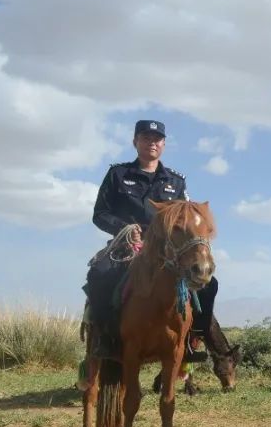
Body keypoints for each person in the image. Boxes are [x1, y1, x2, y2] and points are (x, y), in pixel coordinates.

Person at [85, 119, 217, 359]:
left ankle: (192, 339)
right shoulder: (117, 174)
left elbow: (186, 218)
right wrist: (125, 228)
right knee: (99, 274)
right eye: (146, 138)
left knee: (209, 284)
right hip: (125, 247)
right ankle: (105, 338)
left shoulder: (176, 181)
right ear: (135, 142)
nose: (152, 143)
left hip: (167, 251)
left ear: (164, 144)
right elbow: (100, 214)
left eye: (157, 139)